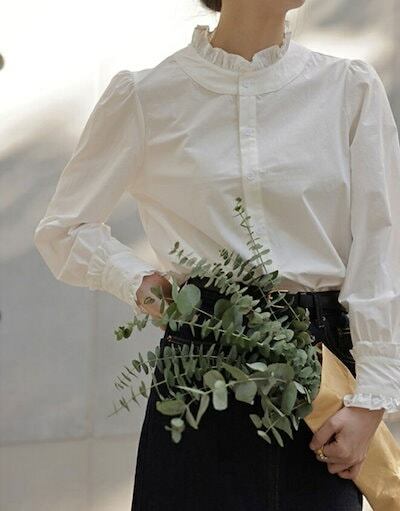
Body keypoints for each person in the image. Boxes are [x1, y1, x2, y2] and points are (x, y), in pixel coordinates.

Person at [33, 0, 400, 509]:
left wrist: (372, 401)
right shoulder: (146, 95)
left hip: (321, 379)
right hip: (202, 366)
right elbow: (65, 228)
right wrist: (139, 282)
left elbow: (380, 245)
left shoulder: (348, 88)